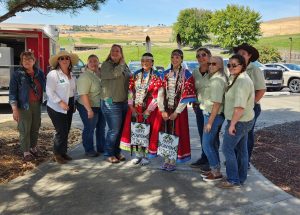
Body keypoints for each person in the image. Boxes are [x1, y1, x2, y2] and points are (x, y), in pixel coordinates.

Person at [120, 53, 163, 165]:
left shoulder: (157, 75)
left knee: (148, 131)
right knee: (137, 131)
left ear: (152, 62)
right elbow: (130, 91)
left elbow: (158, 94)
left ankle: (147, 156)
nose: (145, 62)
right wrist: (131, 106)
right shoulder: (136, 74)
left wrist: (149, 109)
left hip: (150, 108)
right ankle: (138, 155)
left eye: (147, 60)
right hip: (136, 107)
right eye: (143, 60)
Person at [157, 49, 196, 171]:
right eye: (173, 57)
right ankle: (166, 159)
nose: (174, 60)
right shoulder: (165, 74)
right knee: (166, 133)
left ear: (181, 59)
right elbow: (160, 92)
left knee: (176, 133)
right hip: (166, 108)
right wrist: (162, 109)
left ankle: (173, 160)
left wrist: (176, 112)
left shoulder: (187, 75)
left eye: (177, 58)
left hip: (178, 110)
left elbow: (185, 96)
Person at [220, 54, 255, 188]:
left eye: (235, 65)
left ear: (242, 66)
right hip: (244, 121)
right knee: (242, 150)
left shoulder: (242, 81)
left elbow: (239, 108)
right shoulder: (236, 78)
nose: (231, 67)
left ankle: (233, 180)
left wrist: (232, 124)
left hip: (239, 122)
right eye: (229, 65)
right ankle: (240, 178)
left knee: (227, 149)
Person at [9, 51, 45, 161]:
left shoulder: (39, 73)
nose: (27, 61)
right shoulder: (17, 74)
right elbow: (12, 93)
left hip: (37, 104)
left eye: (30, 59)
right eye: (24, 59)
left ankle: (33, 148)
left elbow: (46, 87)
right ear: (21, 61)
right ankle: (26, 151)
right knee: (25, 129)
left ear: (34, 61)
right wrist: (14, 109)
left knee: (35, 127)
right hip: (23, 106)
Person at [233, 43, 266, 167]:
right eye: (238, 53)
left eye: (243, 54)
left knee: (247, 135)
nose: (240, 56)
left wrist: (250, 106)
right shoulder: (236, 69)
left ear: (249, 56)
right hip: (237, 108)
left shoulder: (254, 70)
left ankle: (245, 162)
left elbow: (261, 90)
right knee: (236, 134)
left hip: (250, 108)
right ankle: (237, 159)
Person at [100, 44, 131, 163]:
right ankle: (109, 153)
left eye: (117, 51)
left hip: (123, 103)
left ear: (121, 53)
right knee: (114, 130)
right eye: (113, 51)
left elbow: (130, 79)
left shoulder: (124, 66)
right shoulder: (106, 65)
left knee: (120, 130)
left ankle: (117, 152)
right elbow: (115, 74)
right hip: (110, 103)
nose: (115, 52)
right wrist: (122, 64)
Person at [46, 50, 79, 164]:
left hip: (69, 103)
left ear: (70, 61)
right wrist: (60, 102)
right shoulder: (53, 74)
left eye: (66, 58)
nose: (64, 60)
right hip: (56, 106)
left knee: (67, 129)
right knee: (61, 130)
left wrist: (73, 103)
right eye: (61, 58)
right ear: (58, 61)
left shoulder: (72, 75)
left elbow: (74, 91)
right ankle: (57, 153)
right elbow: (50, 92)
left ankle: (63, 152)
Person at [200, 56, 228, 182]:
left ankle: (216, 172)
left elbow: (217, 103)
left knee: (207, 145)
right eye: (209, 63)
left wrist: (210, 122)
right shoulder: (214, 77)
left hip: (213, 115)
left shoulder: (217, 80)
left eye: (214, 64)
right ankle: (214, 170)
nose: (210, 65)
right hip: (212, 114)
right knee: (211, 144)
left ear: (220, 66)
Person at [77, 54, 106, 157]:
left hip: (100, 105)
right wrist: (89, 110)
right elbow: (83, 94)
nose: (93, 63)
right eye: (91, 61)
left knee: (101, 128)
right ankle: (89, 150)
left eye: (95, 61)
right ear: (87, 64)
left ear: (99, 62)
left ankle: (101, 147)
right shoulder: (85, 77)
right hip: (88, 106)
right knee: (90, 128)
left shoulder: (100, 74)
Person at [190, 48, 212, 170]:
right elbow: (193, 89)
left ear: (209, 56)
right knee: (202, 135)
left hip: (212, 109)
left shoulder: (215, 70)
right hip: (199, 107)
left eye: (204, 55)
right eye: (198, 56)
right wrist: (193, 102)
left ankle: (212, 161)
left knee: (210, 136)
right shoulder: (195, 72)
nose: (201, 57)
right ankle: (204, 158)